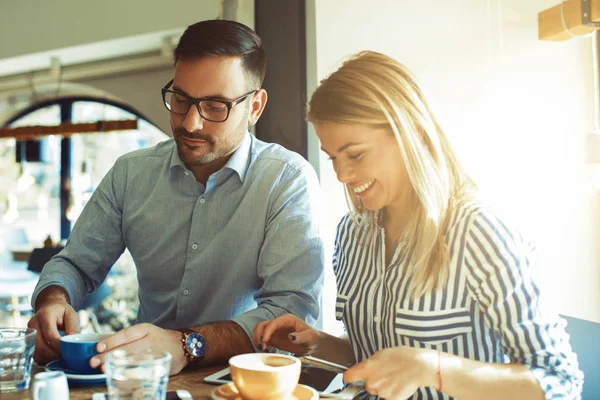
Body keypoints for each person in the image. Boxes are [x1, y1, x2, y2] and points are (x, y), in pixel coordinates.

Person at [254, 51, 583, 400]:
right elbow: (381, 355)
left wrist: (434, 369)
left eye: (356, 155)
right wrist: (318, 343)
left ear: (412, 132)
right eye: (333, 157)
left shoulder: (479, 231)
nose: (342, 175)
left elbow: (560, 381)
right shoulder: (352, 234)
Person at [28, 19, 324, 376]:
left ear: (255, 107)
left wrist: (187, 345)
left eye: (216, 106)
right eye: (181, 100)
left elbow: (290, 314)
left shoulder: (287, 180)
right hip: (141, 382)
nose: (191, 123)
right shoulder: (130, 174)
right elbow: (75, 264)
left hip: (244, 385)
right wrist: (53, 299)